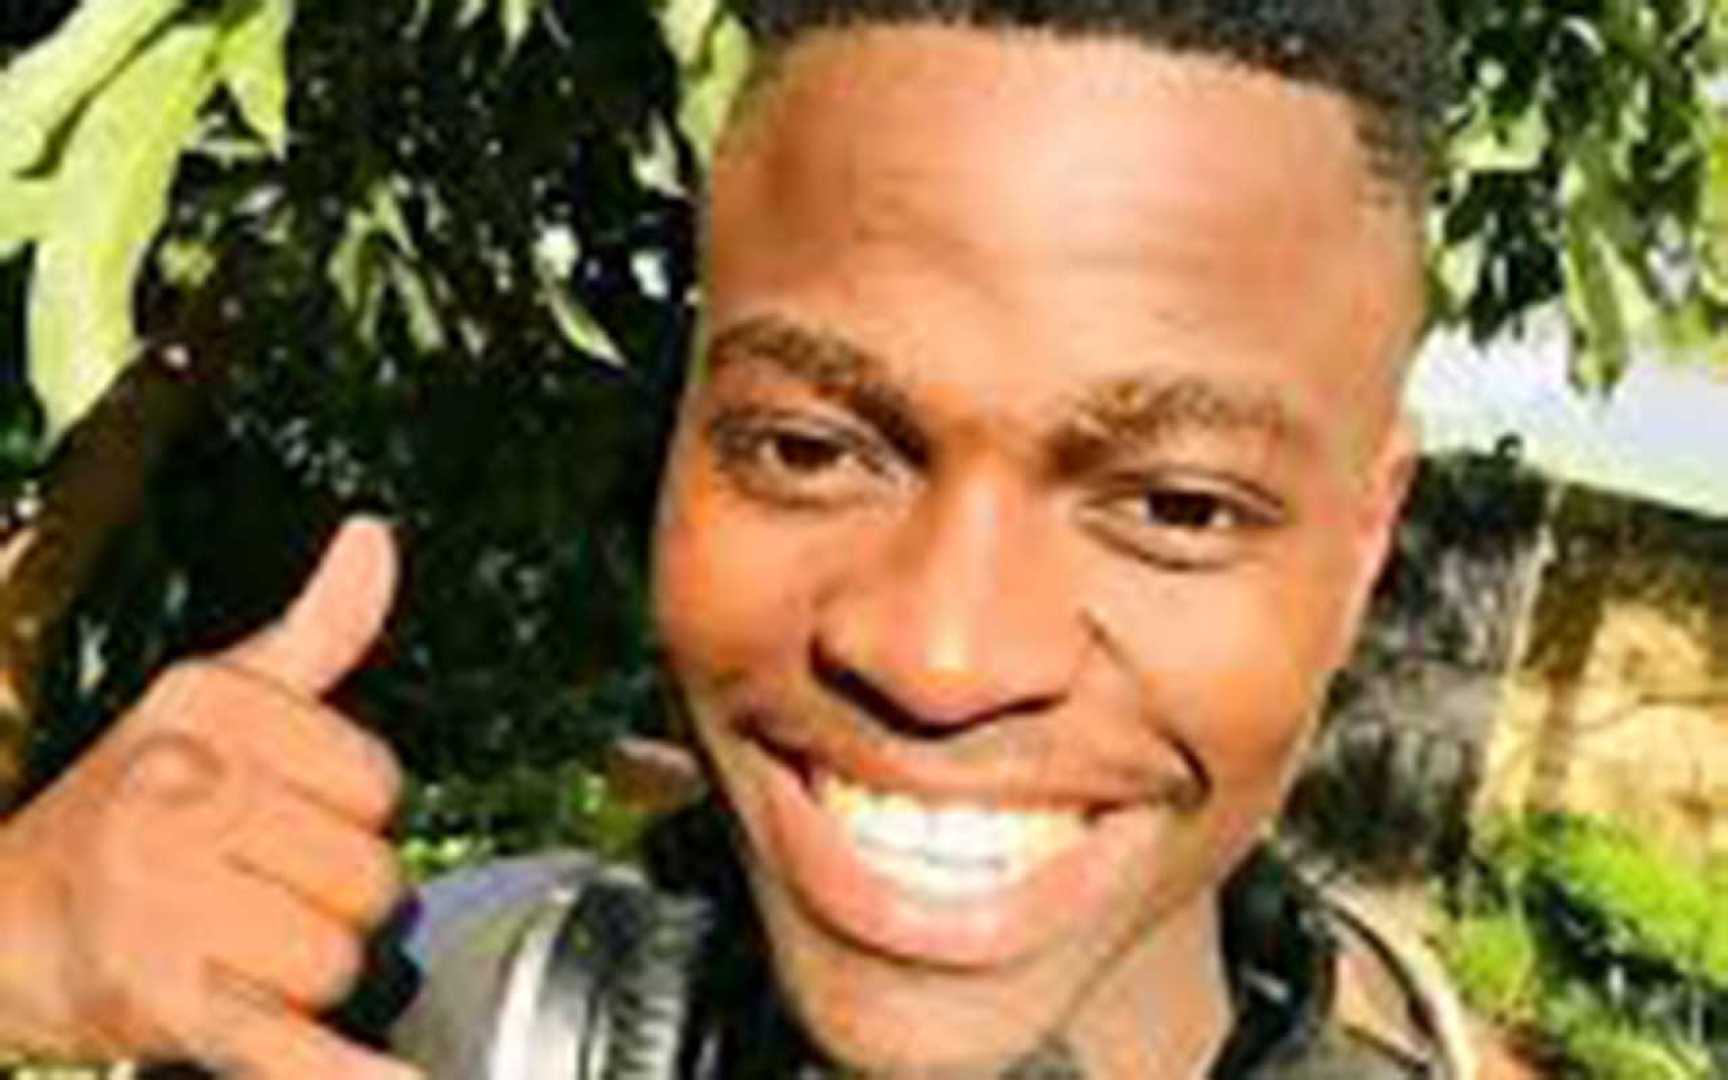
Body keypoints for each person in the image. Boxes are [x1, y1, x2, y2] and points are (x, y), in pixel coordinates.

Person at [0, 0, 1471, 1075]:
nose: (942, 659)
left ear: (1363, 544)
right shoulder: (424, 1021)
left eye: (1177, 507)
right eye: (808, 450)